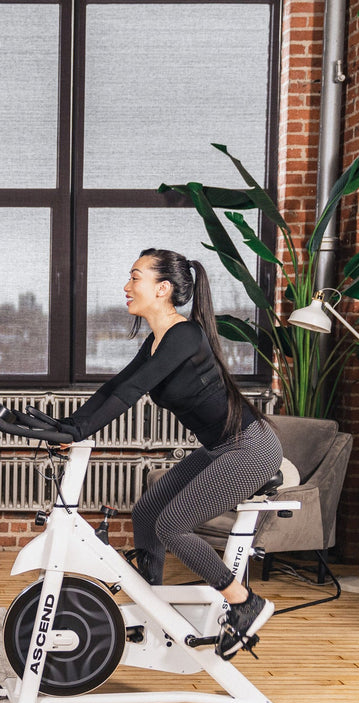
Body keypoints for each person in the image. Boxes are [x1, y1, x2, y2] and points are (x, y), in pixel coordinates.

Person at [55, 249, 281, 659]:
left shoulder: (184, 335)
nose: (127, 287)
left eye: (135, 277)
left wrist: (79, 430)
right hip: (221, 448)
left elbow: (130, 392)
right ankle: (152, 608)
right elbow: (117, 385)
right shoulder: (159, 339)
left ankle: (245, 602)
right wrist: (69, 426)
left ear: (163, 289)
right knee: (145, 513)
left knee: (172, 526)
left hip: (251, 449)